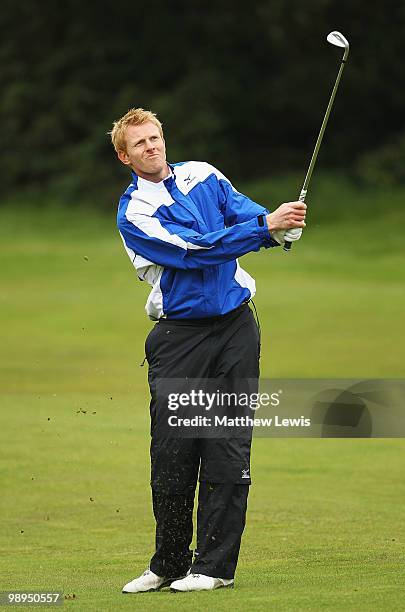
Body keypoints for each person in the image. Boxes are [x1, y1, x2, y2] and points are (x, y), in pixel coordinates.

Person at [110, 108, 306, 593]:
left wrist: (280, 225)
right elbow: (194, 250)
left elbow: (244, 211)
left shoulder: (205, 175)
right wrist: (264, 228)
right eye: (140, 144)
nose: (151, 147)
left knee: (228, 445)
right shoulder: (135, 213)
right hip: (181, 337)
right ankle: (169, 563)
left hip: (237, 326)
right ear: (124, 157)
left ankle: (214, 568)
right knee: (174, 449)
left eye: (155, 137)